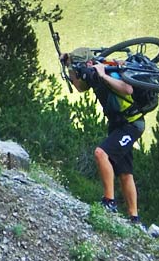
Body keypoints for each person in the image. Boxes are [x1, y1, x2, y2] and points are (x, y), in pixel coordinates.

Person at [62, 47, 144, 224]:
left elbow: (128, 89)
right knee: (125, 173)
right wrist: (69, 69)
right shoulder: (90, 73)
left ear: (89, 63)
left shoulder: (107, 69)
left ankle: (109, 202)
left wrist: (103, 75)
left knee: (101, 153)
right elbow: (80, 88)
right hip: (117, 124)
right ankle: (134, 218)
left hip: (131, 123)